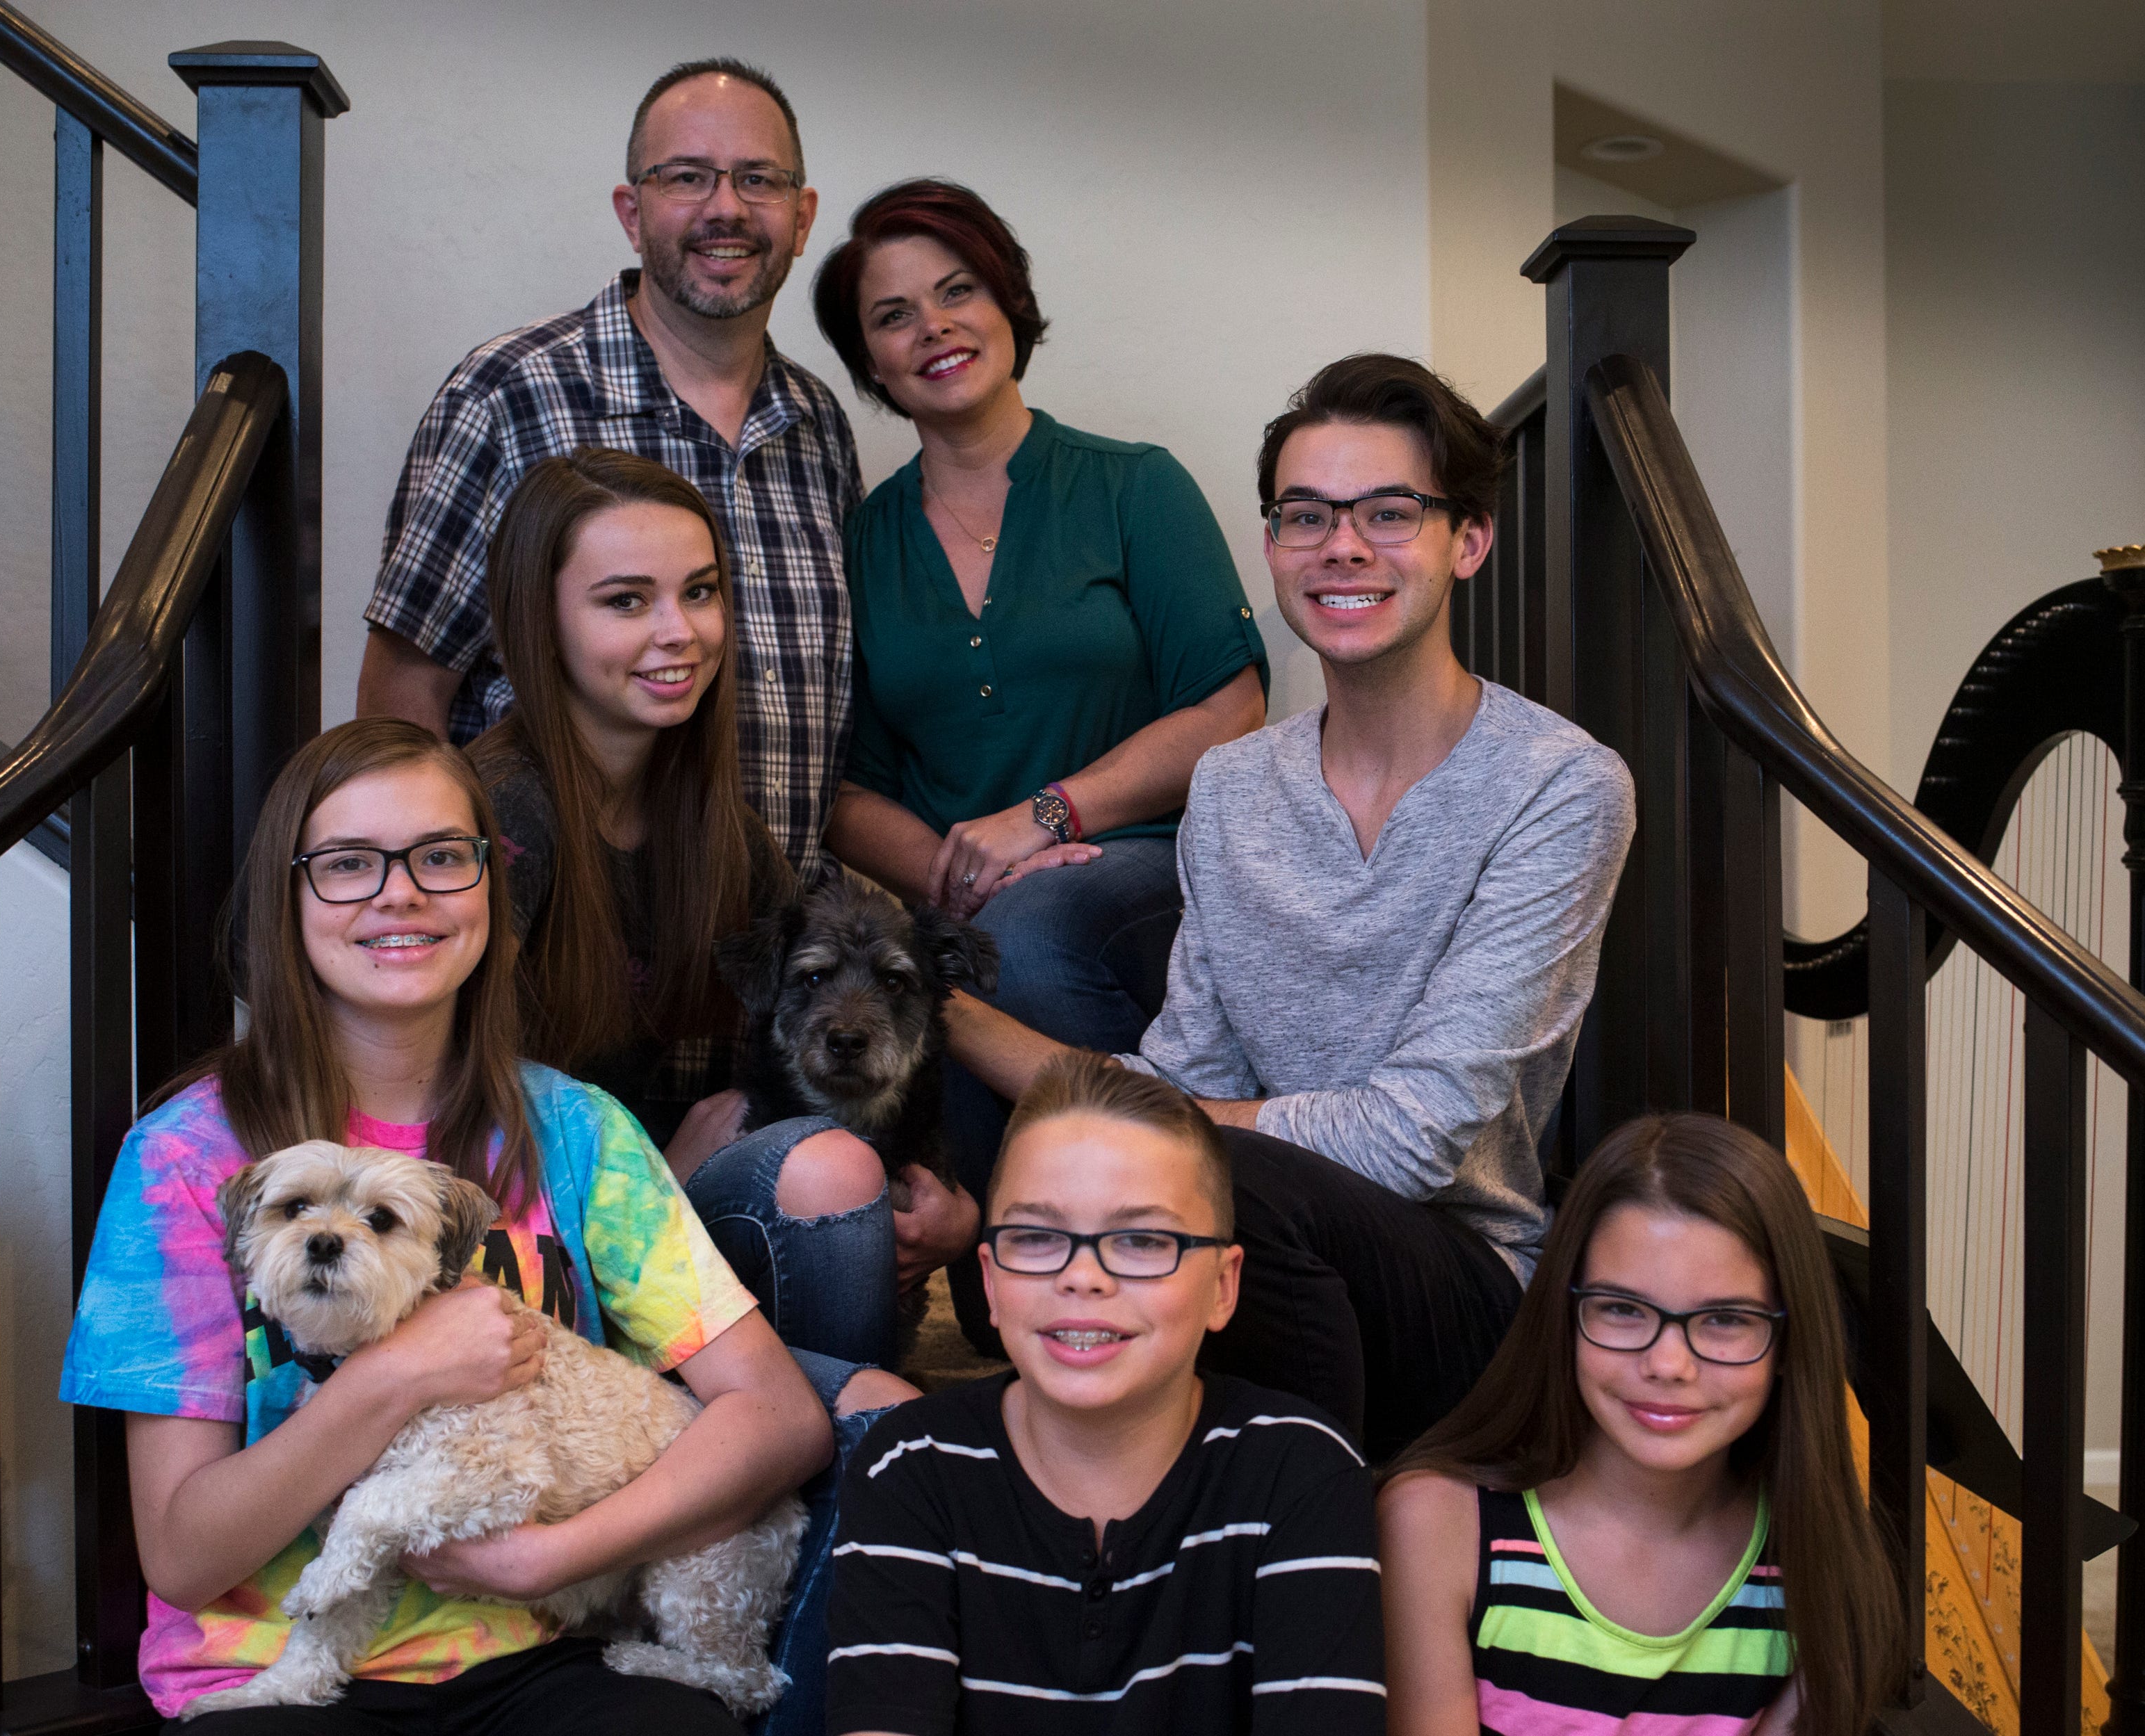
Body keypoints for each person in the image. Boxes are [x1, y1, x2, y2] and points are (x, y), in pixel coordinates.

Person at [57, 717, 906, 1732]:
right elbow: (185, 1552)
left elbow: (774, 1417)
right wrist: (400, 1370)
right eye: (347, 863)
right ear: (287, 906)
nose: (400, 890)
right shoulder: (186, 1158)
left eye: (441, 857)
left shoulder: (576, 1131)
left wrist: (548, 1556)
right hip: (267, 1670)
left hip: (537, 1653)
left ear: (495, 904)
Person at [944, 354, 1637, 1457]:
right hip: (1253, 1247)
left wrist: (1172, 1144)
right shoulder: (1230, 785)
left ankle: (1308, 1554)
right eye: (1305, 515)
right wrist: (942, 1019)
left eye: (1389, 511)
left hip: (1457, 1282)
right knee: (1022, 1267)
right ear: (1270, 547)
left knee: (1209, 1197)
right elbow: (1187, 1079)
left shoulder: (1557, 787)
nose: (1342, 546)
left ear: (1468, 540)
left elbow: (1411, 1145)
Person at [809, 176, 1268, 1240]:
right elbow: (847, 782)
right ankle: (1005, 1252)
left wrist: (1048, 817)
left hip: (1155, 869)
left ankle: (1127, 1222)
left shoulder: (1133, 487)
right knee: (984, 940)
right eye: (892, 316)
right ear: (871, 364)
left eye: (957, 290)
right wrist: (957, 871)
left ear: (1007, 301)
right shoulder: (861, 545)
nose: (934, 327)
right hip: (965, 906)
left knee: (1030, 928)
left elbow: (1230, 704)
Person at [469, 446, 925, 1370]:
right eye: (626, 601)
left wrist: (993, 1149)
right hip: (505, 1254)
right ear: (541, 619)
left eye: (701, 592)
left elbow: (852, 965)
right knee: (822, 1173)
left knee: (837, 1158)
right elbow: (432, 1105)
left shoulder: (710, 824)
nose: (680, 631)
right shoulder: (501, 809)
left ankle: (834, 1444)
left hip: (639, 1217)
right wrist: (657, 1176)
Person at [359, 58, 859, 881]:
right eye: (688, 177)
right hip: (552, 943)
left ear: (802, 218)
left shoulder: (818, 428)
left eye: (758, 180)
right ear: (634, 212)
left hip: (767, 957)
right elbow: (405, 697)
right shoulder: (509, 393)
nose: (726, 208)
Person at [827, 1053, 1382, 1735]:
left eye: (1144, 1239)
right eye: (1036, 1236)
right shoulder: (910, 1467)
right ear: (991, 1283)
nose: (1082, 1276)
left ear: (1223, 1286)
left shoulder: (1302, 1476)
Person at [1377, 1112, 1905, 1736]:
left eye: (1725, 1319)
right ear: (1565, 1310)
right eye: (1623, 1308)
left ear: (1789, 1341)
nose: (1667, 1364)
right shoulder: (1439, 1525)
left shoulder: (1815, 1568)